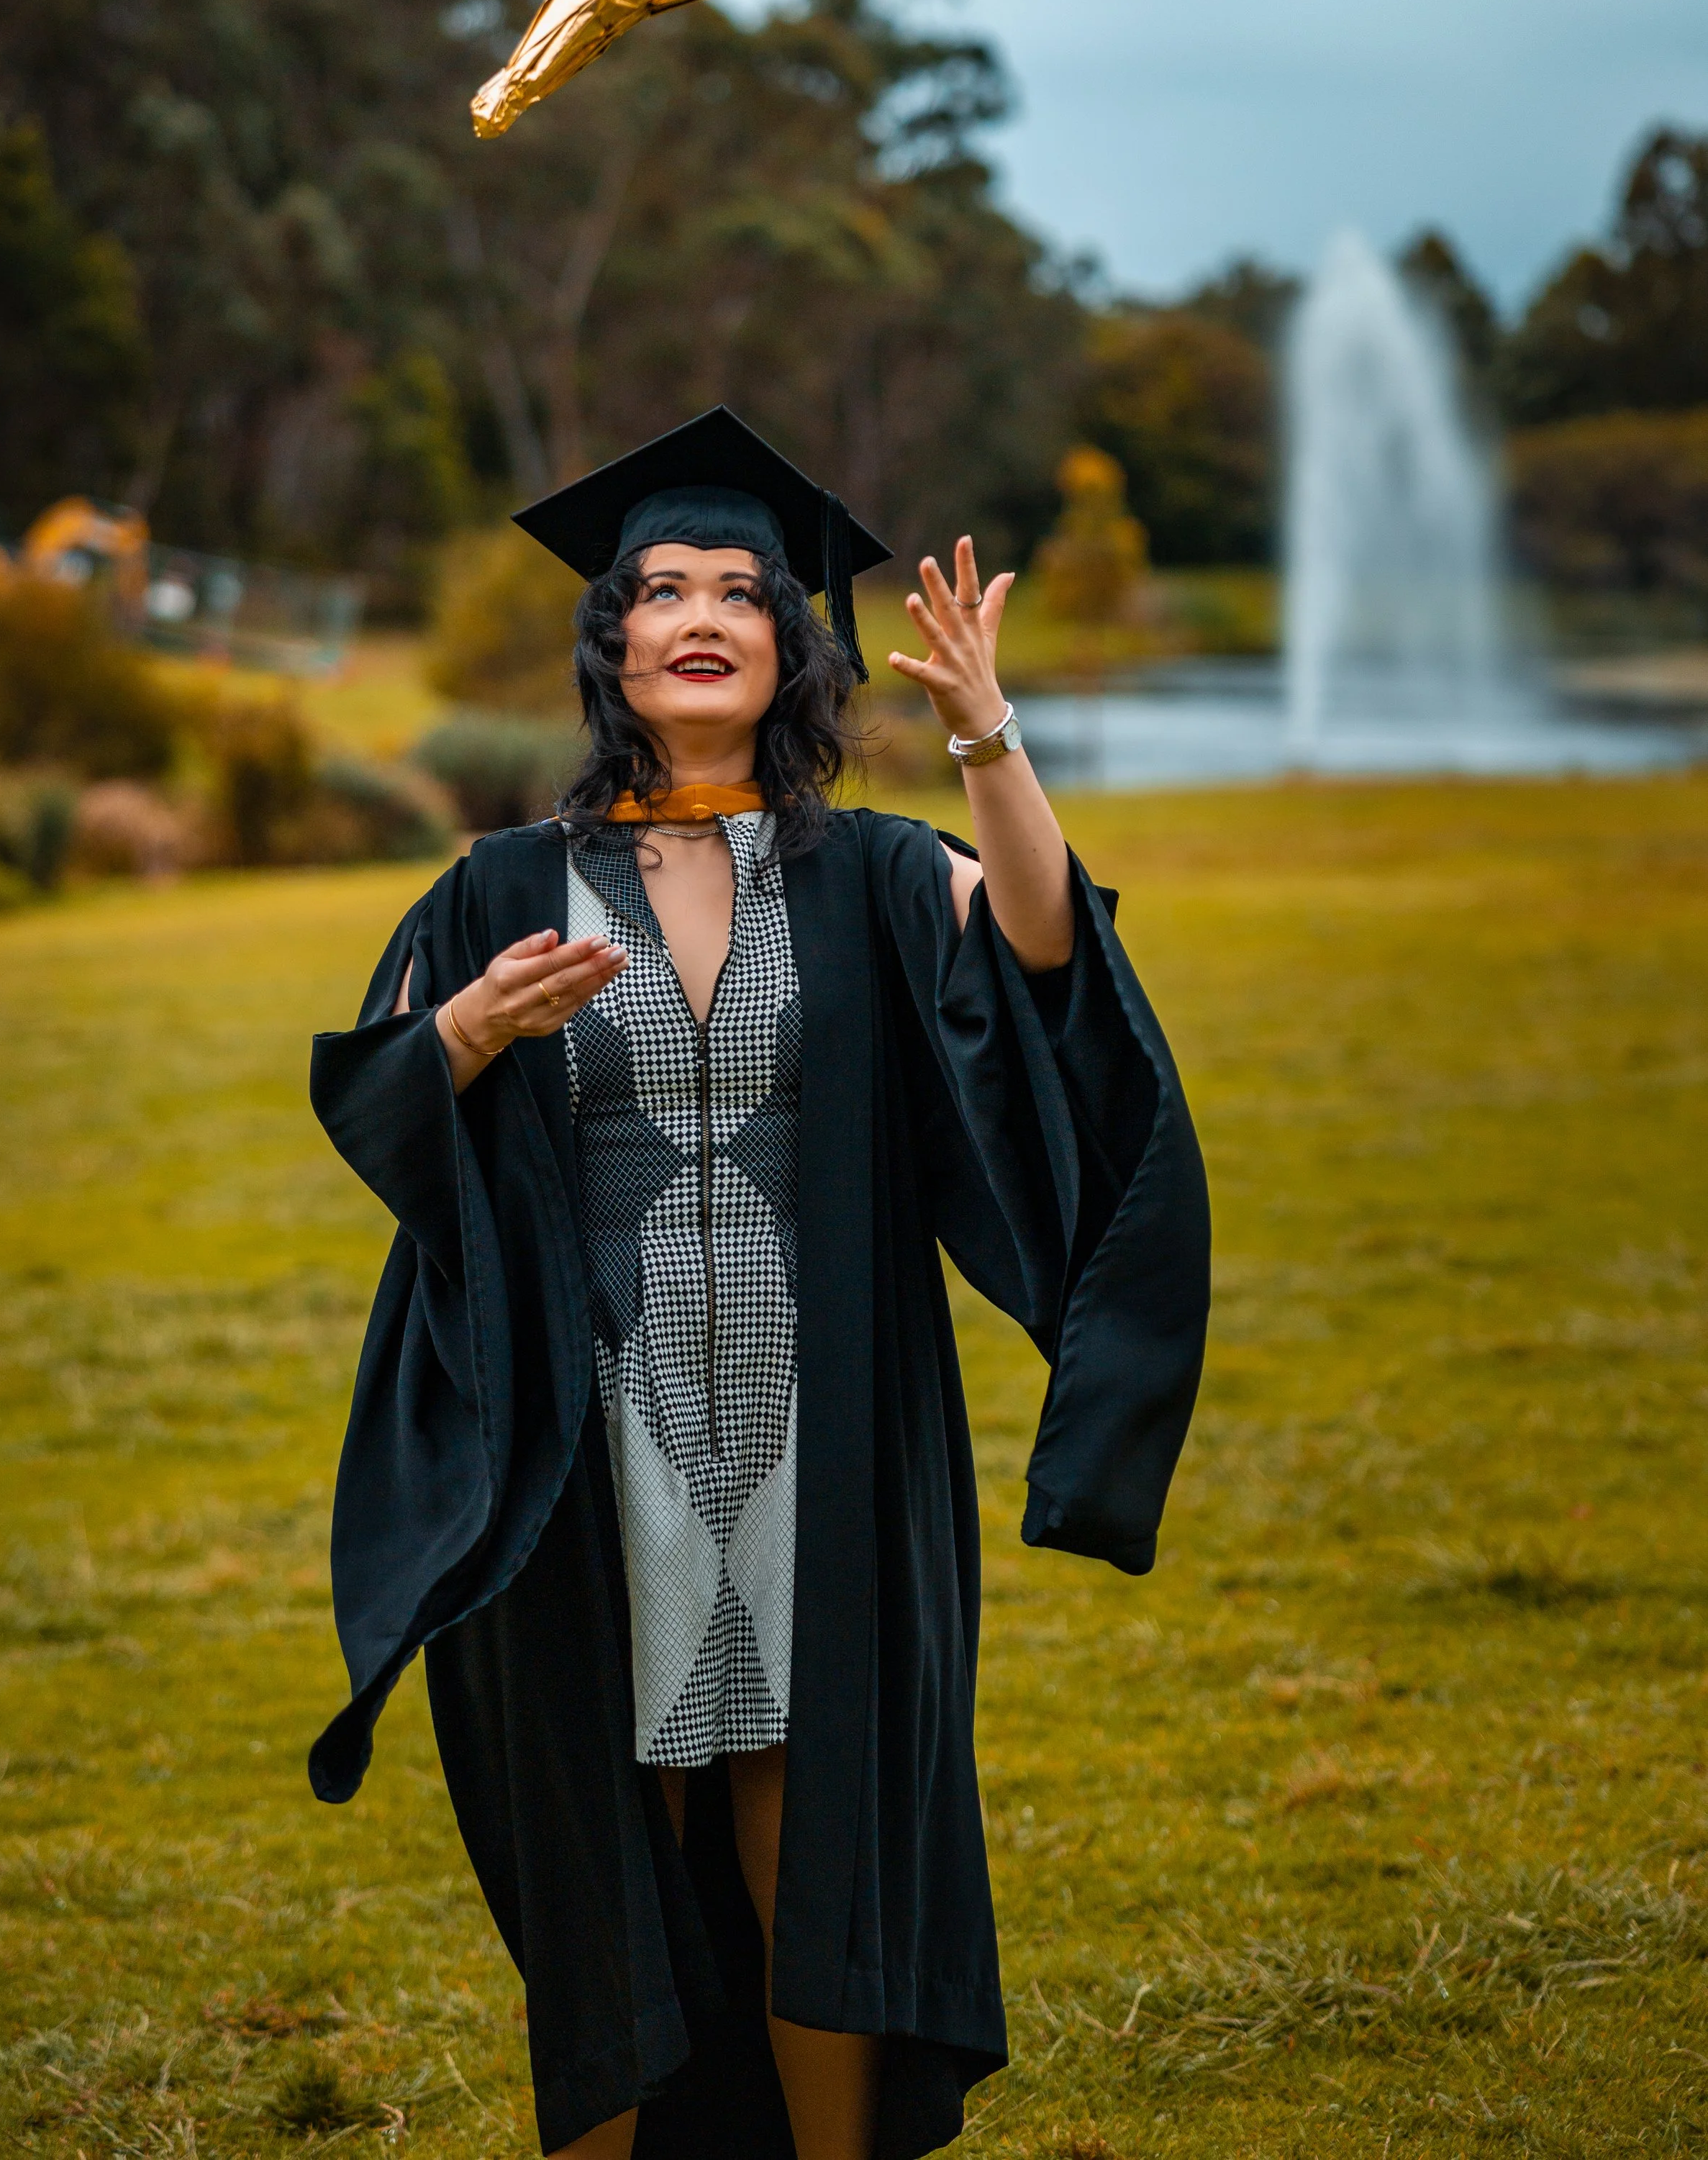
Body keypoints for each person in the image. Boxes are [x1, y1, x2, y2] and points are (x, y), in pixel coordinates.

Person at [308, 409, 1209, 2160]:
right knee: (612, 1848)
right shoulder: (499, 885)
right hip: (591, 1441)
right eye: (660, 591)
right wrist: (474, 1030)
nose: (699, 614)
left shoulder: (867, 872)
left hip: (829, 1428)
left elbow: (1045, 954)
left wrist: (983, 735)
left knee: (819, 1831)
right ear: (614, 644)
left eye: (740, 590)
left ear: (791, 645)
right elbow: (384, 1107)